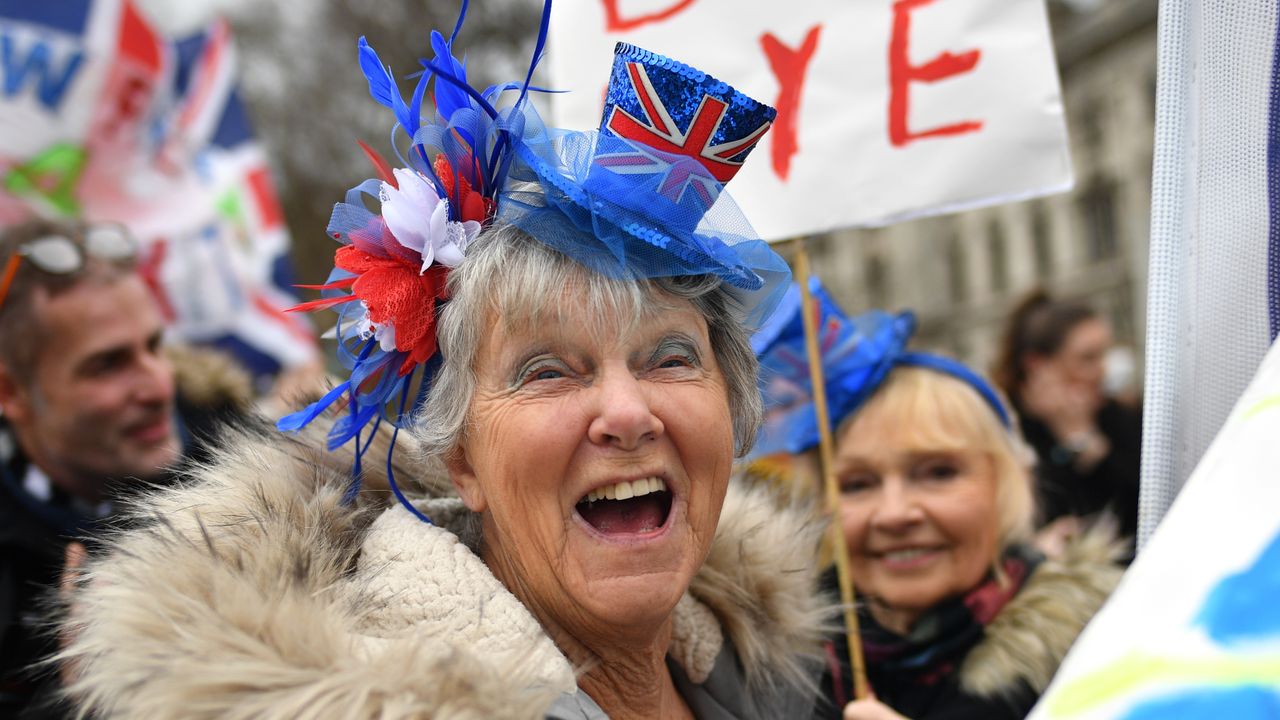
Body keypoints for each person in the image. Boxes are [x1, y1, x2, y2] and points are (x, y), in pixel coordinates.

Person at [55, 10, 830, 719]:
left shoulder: (788, 680)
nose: (628, 413)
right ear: (462, 459)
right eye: (547, 372)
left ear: (732, 406)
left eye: (670, 358)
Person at [751, 287, 1123, 720]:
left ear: (1006, 486)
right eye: (857, 484)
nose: (895, 513)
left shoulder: (1105, 651)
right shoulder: (766, 673)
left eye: (938, 473)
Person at [0, 219, 250, 717]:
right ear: (11, 394)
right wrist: (75, 701)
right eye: (108, 364)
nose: (159, 387)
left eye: (155, 346)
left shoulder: (253, 464)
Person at [992, 290, 1142, 543]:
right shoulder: (1002, 432)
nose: (1102, 370)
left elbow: (1143, 512)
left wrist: (1083, 441)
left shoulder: (1122, 417)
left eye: (1105, 354)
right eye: (1087, 358)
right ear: (1038, 366)